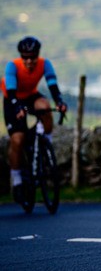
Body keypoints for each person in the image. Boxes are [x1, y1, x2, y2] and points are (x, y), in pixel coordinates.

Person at [2, 36, 68, 203]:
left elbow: (52, 85)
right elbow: (11, 89)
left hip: (31, 96)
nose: (29, 60)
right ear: (21, 56)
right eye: (25, 57)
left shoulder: (44, 64)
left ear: (38, 55)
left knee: (45, 106)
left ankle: (45, 145)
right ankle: (17, 180)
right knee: (18, 139)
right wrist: (18, 107)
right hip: (13, 99)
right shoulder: (13, 66)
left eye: (33, 56)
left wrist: (59, 102)